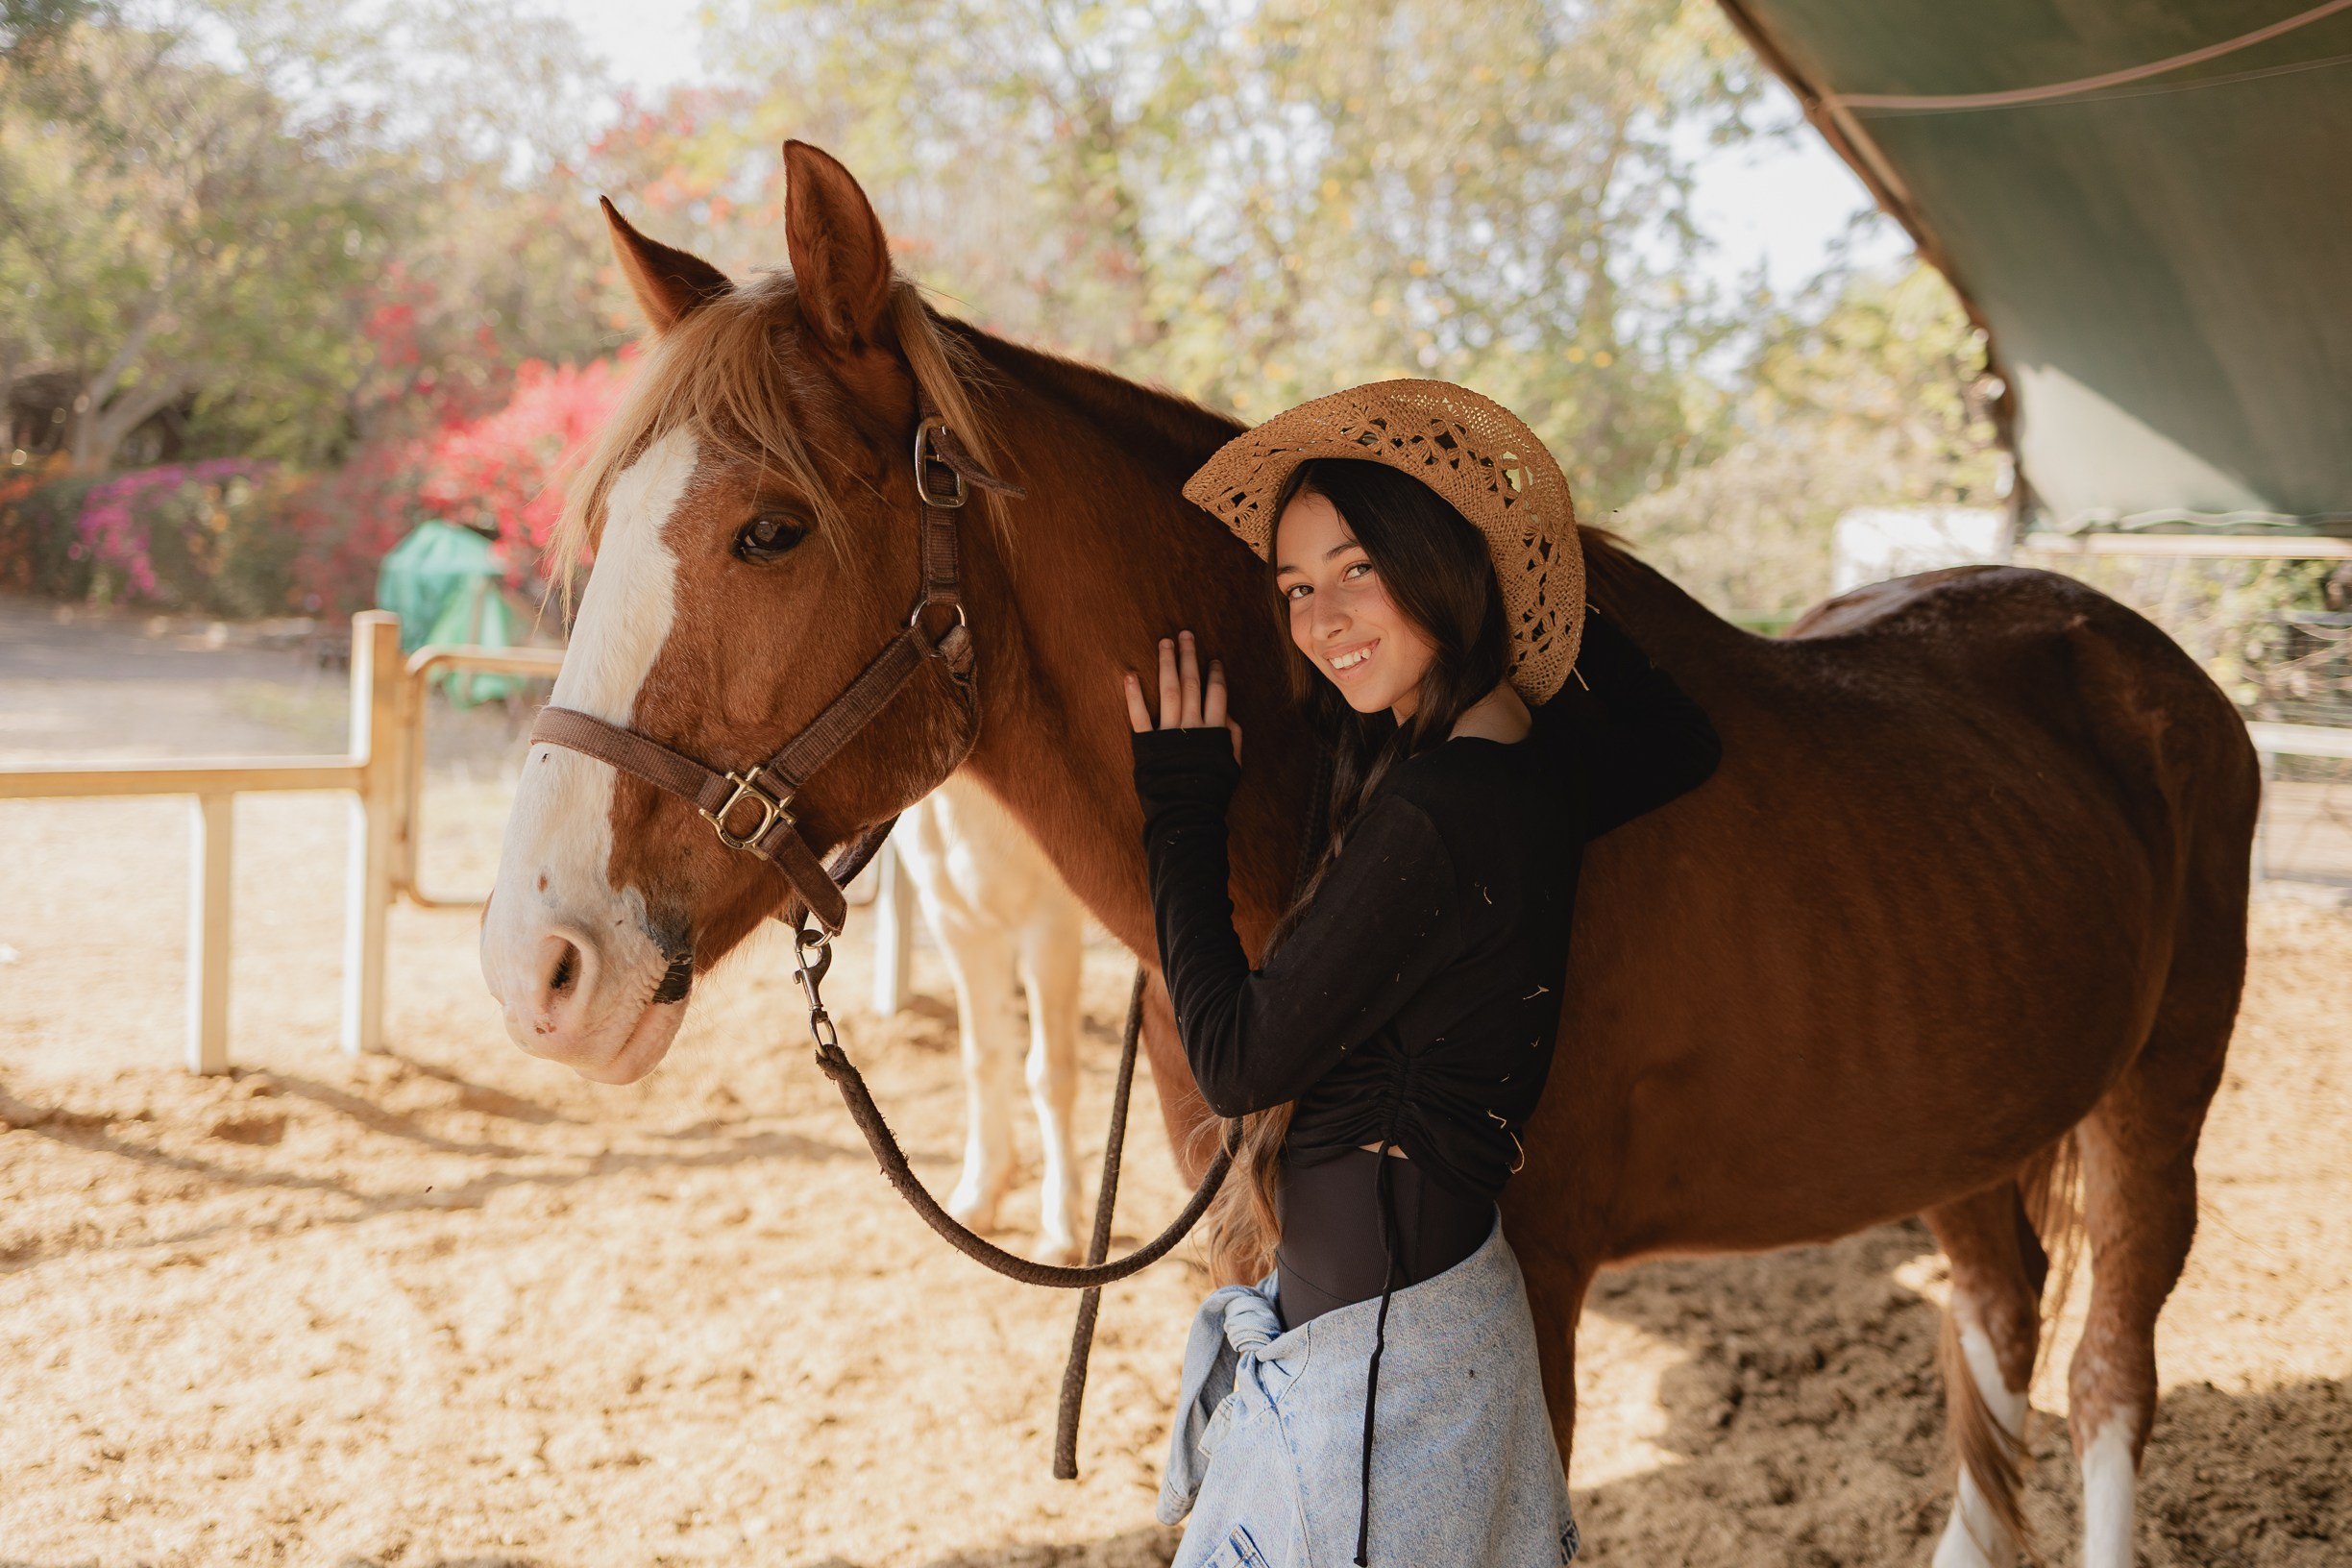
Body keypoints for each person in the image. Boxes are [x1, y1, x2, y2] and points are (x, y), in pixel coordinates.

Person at [1121, 381, 1719, 1568]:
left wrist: (1181, 815)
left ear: (1439, 563)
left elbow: (1238, 1063)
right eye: (1296, 588)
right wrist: (1521, 584)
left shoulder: (1445, 809)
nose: (1322, 619)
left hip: (1384, 1385)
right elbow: (1679, 741)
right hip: (1406, 1341)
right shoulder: (1514, 770)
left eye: (1357, 571)